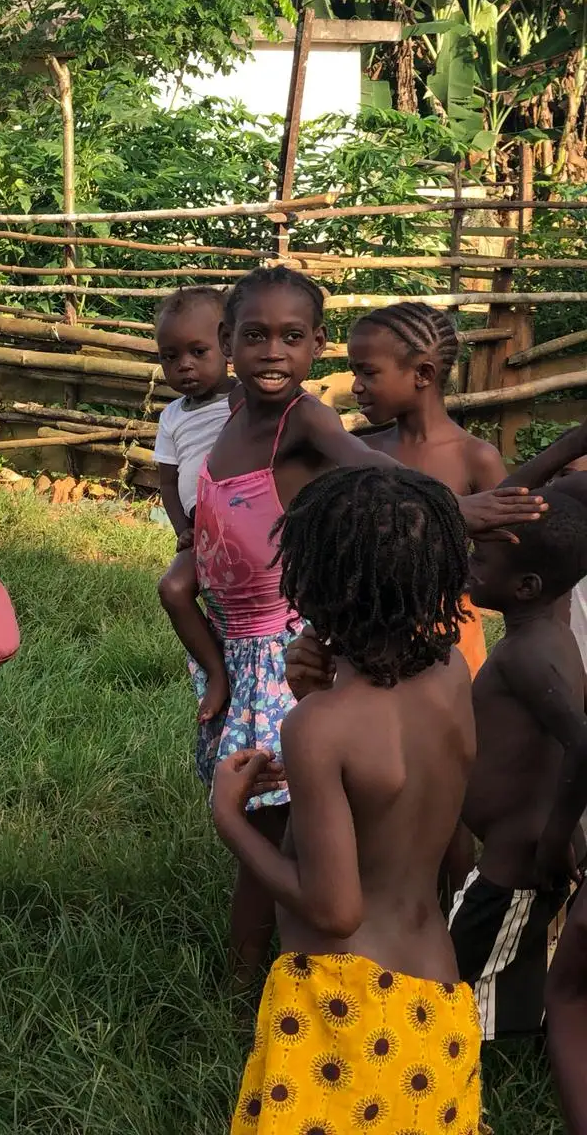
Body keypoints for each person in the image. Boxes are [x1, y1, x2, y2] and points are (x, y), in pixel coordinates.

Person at [196, 266, 544, 988]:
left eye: (292, 337)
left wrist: (451, 513)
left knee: (282, 824)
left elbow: (383, 489)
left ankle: (240, 985)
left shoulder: (309, 423)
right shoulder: (237, 411)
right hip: (434, 999)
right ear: (228, 341)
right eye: (255, 336)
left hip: (344, 1014)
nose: (272, 352)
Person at [217, 465, 482, 1135]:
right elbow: (405, 798)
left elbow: (335, 910)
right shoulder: (453, 673)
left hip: (341, 1007)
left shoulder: (320, 728)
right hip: (441, 1002)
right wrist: (318, 693)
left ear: (310, 586)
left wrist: (229, 817)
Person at [442, 487, 587, 1044]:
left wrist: (553, 839)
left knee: (447, 982)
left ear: (526, 586)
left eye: (480, 560)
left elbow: (583, 742)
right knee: (519, 961)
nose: (468, 567)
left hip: (517, 863)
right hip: (524, 851)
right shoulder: (547, 638)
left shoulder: (529, 655)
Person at [347, 301, 506, 677]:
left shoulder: (475, 457)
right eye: (354, 372)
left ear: (423, 374)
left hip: (449, 638)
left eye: (368, 372)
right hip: (368, 634)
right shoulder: (360, 452)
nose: (355, 386)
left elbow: (503, 559)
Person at [151, 286, 236, 724]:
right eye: (170, 356)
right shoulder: (172, 416)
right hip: (201, 531)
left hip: (247, 526)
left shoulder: (245, 400)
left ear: (227, 345)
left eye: (198, 352)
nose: (184, 365)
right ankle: (215, 671)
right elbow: (168, 481)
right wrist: (181, 528)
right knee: (173, 589)